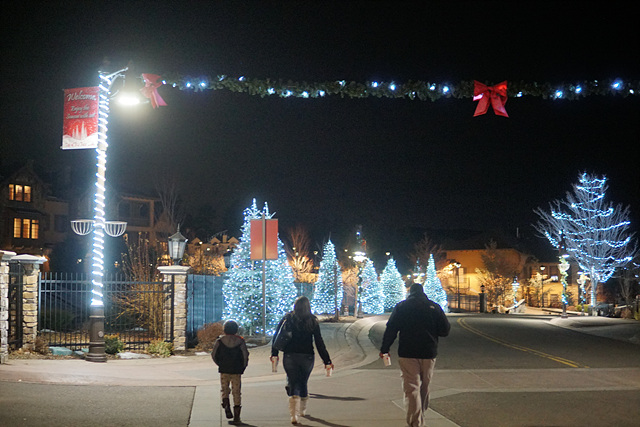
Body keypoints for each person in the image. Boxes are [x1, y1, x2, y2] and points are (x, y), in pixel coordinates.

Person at [379, 283, 450, 427]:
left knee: (412, 387)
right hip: (429, 352)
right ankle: (420, 414)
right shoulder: (434, 307)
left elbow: (391, 329)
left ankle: (416, 422)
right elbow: (445, 330)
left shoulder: (402, 307)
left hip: (408, 352)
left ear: (410, 293)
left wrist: (385, 349)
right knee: (425, 385)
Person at [271, 296, 333, 425]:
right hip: (307, 356)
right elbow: (319, 342)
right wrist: (327, 360)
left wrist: (274, 354)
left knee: (293, 382)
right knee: (303, 382)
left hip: (290, 355)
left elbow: (277, 336)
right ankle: (302, 410)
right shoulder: (312, 321)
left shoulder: (288, 319)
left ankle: (294, 415)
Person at [211, 319, 249, 424]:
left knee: (225, 389)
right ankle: (237, 416)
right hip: (236, 370)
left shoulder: (219, 341)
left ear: (225, 329)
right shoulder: (240, 341)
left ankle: (226, 404)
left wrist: (220, 364)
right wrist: (243, 366)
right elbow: (245, 355)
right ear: (236, 329)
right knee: (236, 391)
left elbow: (214, 355)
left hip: (224, 369)